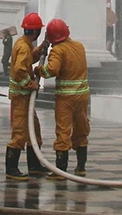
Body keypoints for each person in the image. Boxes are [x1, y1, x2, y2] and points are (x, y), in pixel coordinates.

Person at [37, 18, 90, 176]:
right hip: (82, 96)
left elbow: (52, 70)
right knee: (81, 129)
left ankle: (61, 170)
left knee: (63, 132)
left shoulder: (58, 50)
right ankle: (80, 167)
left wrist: (39, 70)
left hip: (65, 99)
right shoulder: (79, 46)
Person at [5, 13, 48, 181]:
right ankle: (11, 168)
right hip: (22, 97)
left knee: (34, 131)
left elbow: (29, 60)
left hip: (24, 97)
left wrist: (41, 48)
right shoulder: (23, 46)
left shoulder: (25, 44)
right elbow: (19, 70)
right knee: (20, 133)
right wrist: (31, 84)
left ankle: (35, 166)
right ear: (36, 31)